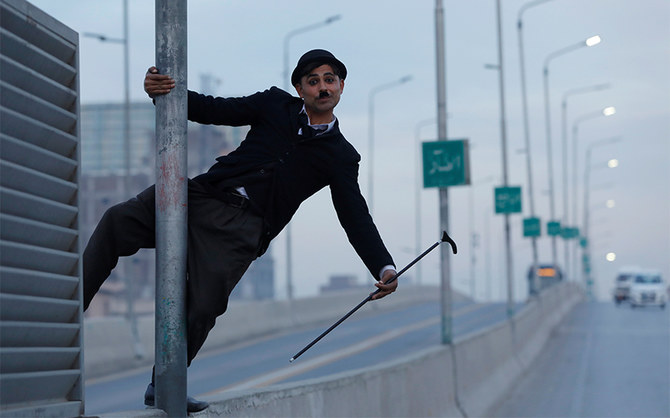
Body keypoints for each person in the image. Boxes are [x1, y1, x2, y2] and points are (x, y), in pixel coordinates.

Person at [83, 49, 397, 412]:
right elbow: (214, 109)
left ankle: (164, 385)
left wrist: (383, 266)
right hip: (201, 197)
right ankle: (68, 315)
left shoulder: (341, 155)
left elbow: (354, 215)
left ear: (341, 86)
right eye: (313, 81)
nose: (322, 88)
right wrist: (163, 92)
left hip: (243, 228)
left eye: (330, 80)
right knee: (117, 220)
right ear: (300, 89)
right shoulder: (273, 104)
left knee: (203, 305)